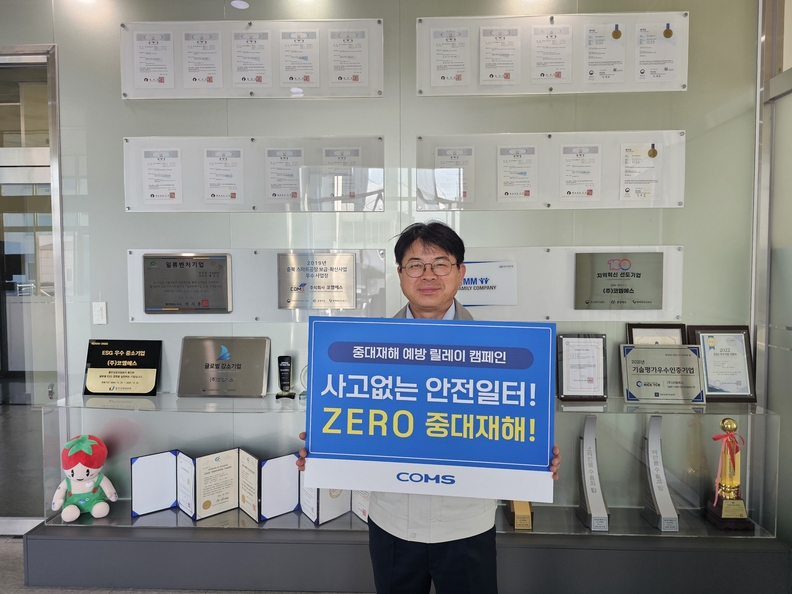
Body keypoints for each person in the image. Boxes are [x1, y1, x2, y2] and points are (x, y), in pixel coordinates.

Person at [298, 221, 562, 594]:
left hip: (467, 524)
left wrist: (536, 456)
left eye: (440, 264)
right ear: (400, 274)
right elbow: (355, 421)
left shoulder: (500, 352)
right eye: (415, 265)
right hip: (391, 521)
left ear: (460, 272)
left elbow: (511, 427)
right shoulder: (366, 350)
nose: (428, 275)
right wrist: (324, 447)